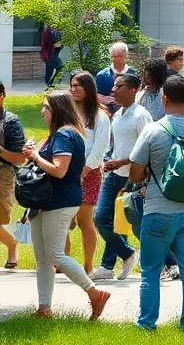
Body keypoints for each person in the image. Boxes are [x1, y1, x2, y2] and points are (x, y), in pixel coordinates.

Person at [128, 73, 184, 331]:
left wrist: (148, 171)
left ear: (165, 98)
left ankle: (147, 324)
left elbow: (135, 174)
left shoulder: (152, 131)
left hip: (158, 209)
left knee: (150, 271)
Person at [24, 90, 111, 319]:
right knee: (43, 257)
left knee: (54, 255)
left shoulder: (65, 135)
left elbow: (59, 170)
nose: (42, 111)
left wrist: (35, 156)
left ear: (56, 110)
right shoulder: (59, 134)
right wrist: (33, 153)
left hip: (60, 201)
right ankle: (44, 309)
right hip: (45, 201)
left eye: (45, 107)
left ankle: (94, 292)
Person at [92, 72, 149, 281]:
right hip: (114, 174)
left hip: (133, 176)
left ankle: (109, 265)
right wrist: (109, 161)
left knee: (131, 222)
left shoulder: (141, 115)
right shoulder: (117, 114)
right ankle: (126, 254)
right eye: (114, 86)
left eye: (119, 86)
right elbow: (116, 144)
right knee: (100, 218)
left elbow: (147, 149)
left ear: (133, 90)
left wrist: (123, 161)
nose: (113, 90)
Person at [69, 71, 110, 276]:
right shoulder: (68, 113)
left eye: (78, 85)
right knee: (63, 218)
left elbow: (100, 149)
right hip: (66, 170)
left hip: (90, 171)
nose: (74, 89)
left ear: (88, 88)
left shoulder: (100, 116)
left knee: (85, 220)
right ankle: (63, 263)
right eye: (72, 86)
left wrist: (84, 171)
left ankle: (88, 265)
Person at [0, 79, 28, 269]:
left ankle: (11, 243)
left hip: (4, 173)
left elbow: (20, 158)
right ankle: (11, 244)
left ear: (2, 96)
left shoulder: (10, 122)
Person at [96, 42, 132, 112]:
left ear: (126, 55)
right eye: (114, 56)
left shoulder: (134, 73)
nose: (116, 59)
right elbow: (98, 96)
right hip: (109, 112)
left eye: (119, 56)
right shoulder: (102, 75)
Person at [137, 57, 170, 122]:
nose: (145, 78)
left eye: (149, 76)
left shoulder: (166, 94)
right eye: (144, 74)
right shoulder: (140, 94)